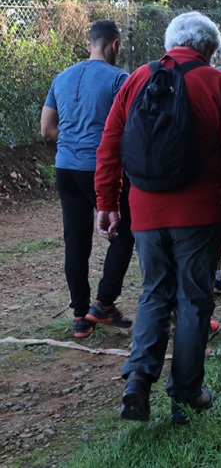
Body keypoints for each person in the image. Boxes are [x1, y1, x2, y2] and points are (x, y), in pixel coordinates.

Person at [95, 12, 221, 424]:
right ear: (208, 49)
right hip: (201, 213)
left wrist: (108, 202)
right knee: (193, 300)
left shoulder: (137, 79)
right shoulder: (219, 83)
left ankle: (137, 380)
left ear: (171, 44)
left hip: (146, 212)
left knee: (154, 293)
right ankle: (186, 392)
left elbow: (109, 144)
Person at [40, 19, 135, 339]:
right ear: (115, 45)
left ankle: (81, 316)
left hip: (66, 168)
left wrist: (73, 142)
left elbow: (46, 129)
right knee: (124, 233)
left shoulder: (62, 77)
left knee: (76, 241)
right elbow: (133, 129)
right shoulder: (120, 79)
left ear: (88, 43)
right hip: (102, 169)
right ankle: (104, 303)